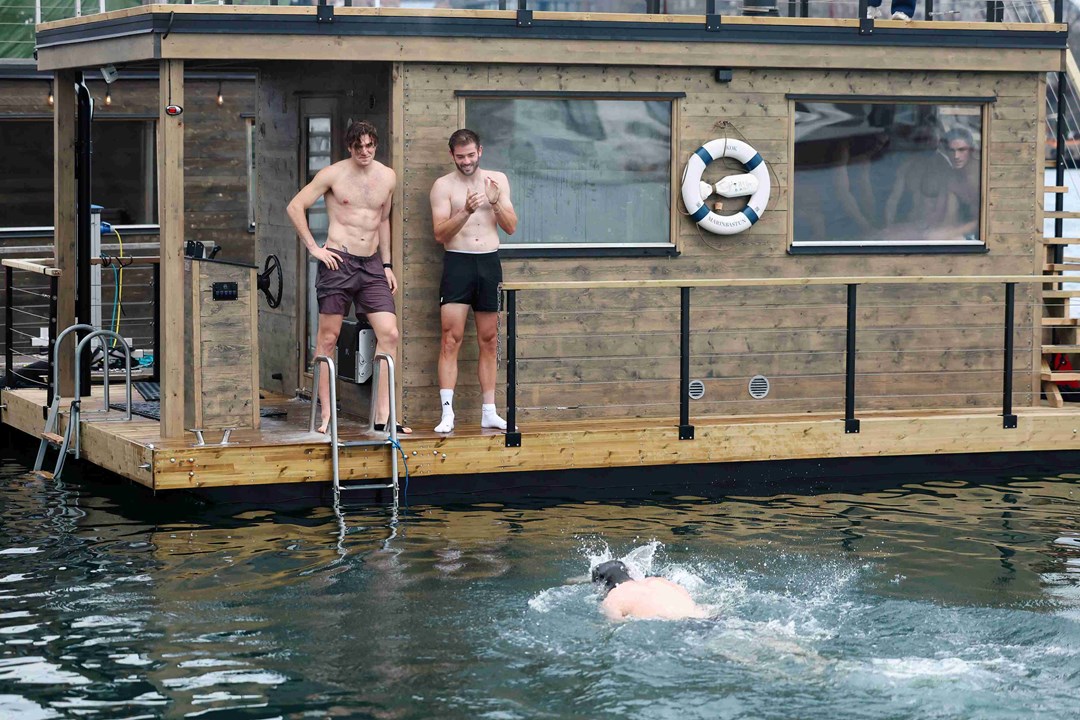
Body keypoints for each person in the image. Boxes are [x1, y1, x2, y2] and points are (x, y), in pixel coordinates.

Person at [287, 119, 409, 435]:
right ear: (349, 147)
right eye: (359, 146)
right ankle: (327, 414)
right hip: (337, 262)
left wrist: (386, 265)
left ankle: (383, 417)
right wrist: (313, 247)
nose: (365, 151)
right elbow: (295, 206)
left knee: (390, 334)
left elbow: (383, 220)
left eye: (370, 145)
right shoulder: (333, 174)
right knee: (328, 339)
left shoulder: (388, 177)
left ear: (376, 145)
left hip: (371, 265)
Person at [429, 129, 518, 434]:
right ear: (452, 155)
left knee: (489, 339)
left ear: (480, 151)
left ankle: (489, 411)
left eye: (470, 155)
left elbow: (511, 228)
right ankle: (447, 413)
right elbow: (440, 234)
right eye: (460, 156)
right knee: (450, 338)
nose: (466, 161)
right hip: (458, 262)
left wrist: (495, 203)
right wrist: (466, 210)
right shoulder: (443, 186)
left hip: (489, 262)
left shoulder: (498, 180)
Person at [591, 560, 709, 621]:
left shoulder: (613, 598)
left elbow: (615, 625)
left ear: (603, 585)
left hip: (678, 626)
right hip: (706, 617)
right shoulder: (658, 580)